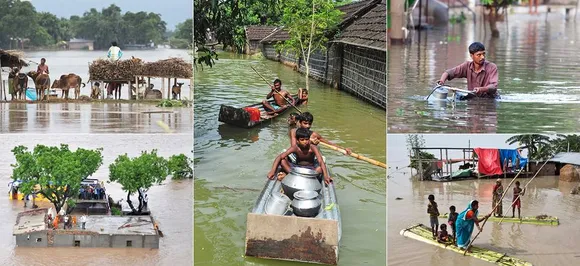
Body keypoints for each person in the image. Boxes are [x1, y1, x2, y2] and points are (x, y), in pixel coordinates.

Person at [267, 128, 332, 184]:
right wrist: (272, 171)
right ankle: (293, 175)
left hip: (310, 169)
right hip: (296, 168)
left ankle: (294, 177)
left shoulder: (312, 148)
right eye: (302, 140)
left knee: (320, 169)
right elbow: (280, 157)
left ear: (309, 139)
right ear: (297, 141)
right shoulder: (295, 148)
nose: (305, 142)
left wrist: (326, 176)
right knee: (282, 161)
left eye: (307, 139)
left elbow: (320, 161)